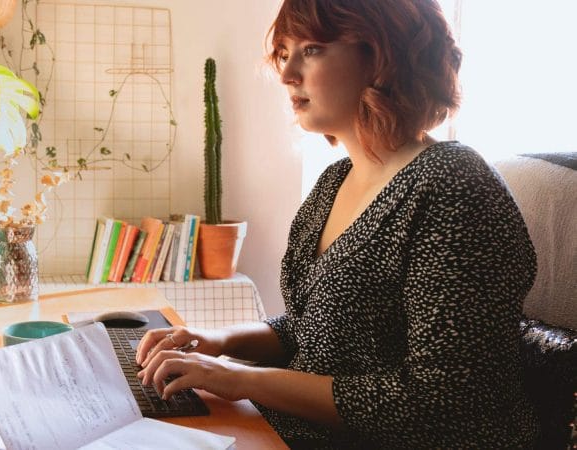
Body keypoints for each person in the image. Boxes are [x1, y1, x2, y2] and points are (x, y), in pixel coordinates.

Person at [135, 0, 538, 447]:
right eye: (284, 53)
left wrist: (243, 380)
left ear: (382, 56)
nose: (287, 74)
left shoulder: (452, 185)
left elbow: (441, 401)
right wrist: (215, 340)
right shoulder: (334, 181)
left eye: (311, 49)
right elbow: (315, 330)